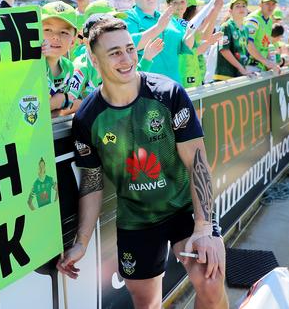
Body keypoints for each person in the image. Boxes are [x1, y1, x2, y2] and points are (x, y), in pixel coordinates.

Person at [57, 16, 227, 309]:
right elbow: (92, 182)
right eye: (115, 53)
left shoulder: (168, 93)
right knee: (146, 304)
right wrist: (81, 241)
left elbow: (197, 163)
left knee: (210, 283)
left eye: (130, 49)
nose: (126, 59)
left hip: (185, 210)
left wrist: (203, 228)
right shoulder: (87, 118)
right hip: (137, 219)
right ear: (94, 61)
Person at [123, 0, 192, 83]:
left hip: (174, 84)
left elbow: (184, 48)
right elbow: (130, 45)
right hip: (148, 86)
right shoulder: (129, 17)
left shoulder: (166, 17)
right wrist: (158, 28)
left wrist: (191, 30)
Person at [41, 1, 82, 116]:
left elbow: (74, 103)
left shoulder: (69, 66)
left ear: (73, 41)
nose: (56, 37)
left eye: (64, 32)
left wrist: (62, 102)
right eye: (48, 30)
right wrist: (57, 102)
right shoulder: (31, 64)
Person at [215, 0, 254, 81]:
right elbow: (224, 50)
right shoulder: (226, 26)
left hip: (240, 75)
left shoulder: (246, 29)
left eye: (244, 6)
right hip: (225, 76)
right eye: (237, 6)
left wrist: (245, 69)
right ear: (230, 11)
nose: (241, 8)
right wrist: (241, 68)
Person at [244, 0, 280, 72]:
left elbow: (265, 44)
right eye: (267, 3)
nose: (271, 7)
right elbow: (248, 43)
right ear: (260, 4)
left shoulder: (270, 21)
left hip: (261, 66)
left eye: (273, 4)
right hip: (250, 66)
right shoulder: (253, 19)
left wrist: (271, 63)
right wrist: (266, 62)